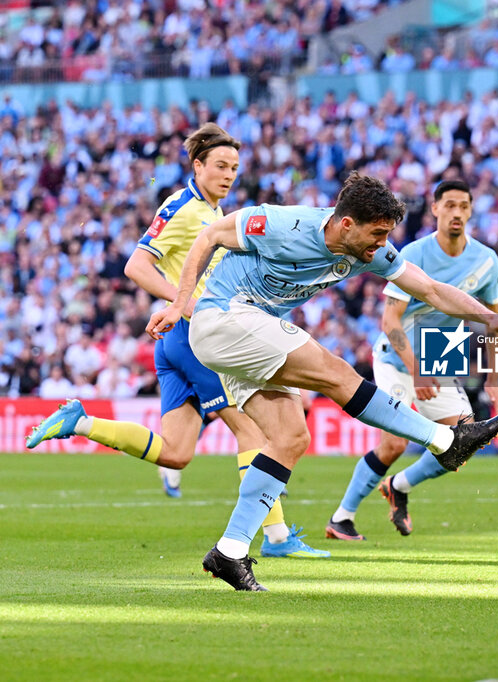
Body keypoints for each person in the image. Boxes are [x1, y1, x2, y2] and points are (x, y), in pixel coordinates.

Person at [146, 172, 498, 591]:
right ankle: (446, 440)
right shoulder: (282, 224)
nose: (381, 245)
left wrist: (489, 318)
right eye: (376, 234)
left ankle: (230, 551)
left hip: (249, 331)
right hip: (225, 317)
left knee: (290, 438)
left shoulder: (370, 250)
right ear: (346, 224)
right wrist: (180, 304)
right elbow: (209, 235)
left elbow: (430, 289)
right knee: (336, 373)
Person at [26, 123, 328, 560]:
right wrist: (183, 301)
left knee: (177, 454)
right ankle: (277, 537)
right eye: (220, 166)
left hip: (178, 342)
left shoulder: (214, 213)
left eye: (235, 168)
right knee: (253, 430)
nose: (228, 174)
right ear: (198, 165)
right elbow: (136, 265)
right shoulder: (185, 208)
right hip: (196, 336)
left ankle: (80, 422)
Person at [325, 179, 498, 541]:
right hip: (398, 354)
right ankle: (341, 518)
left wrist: (494, 381)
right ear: (435, 208)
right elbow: (390, 321)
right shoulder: (414, 254)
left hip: (443, 348)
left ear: (471, 210)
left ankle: (399, 486)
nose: (457, 212)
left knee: (463, 443)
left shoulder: (487, 261)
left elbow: (495, 323)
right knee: (393, 443)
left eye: (464, 206)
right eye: (449, 205)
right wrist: (415, 370)